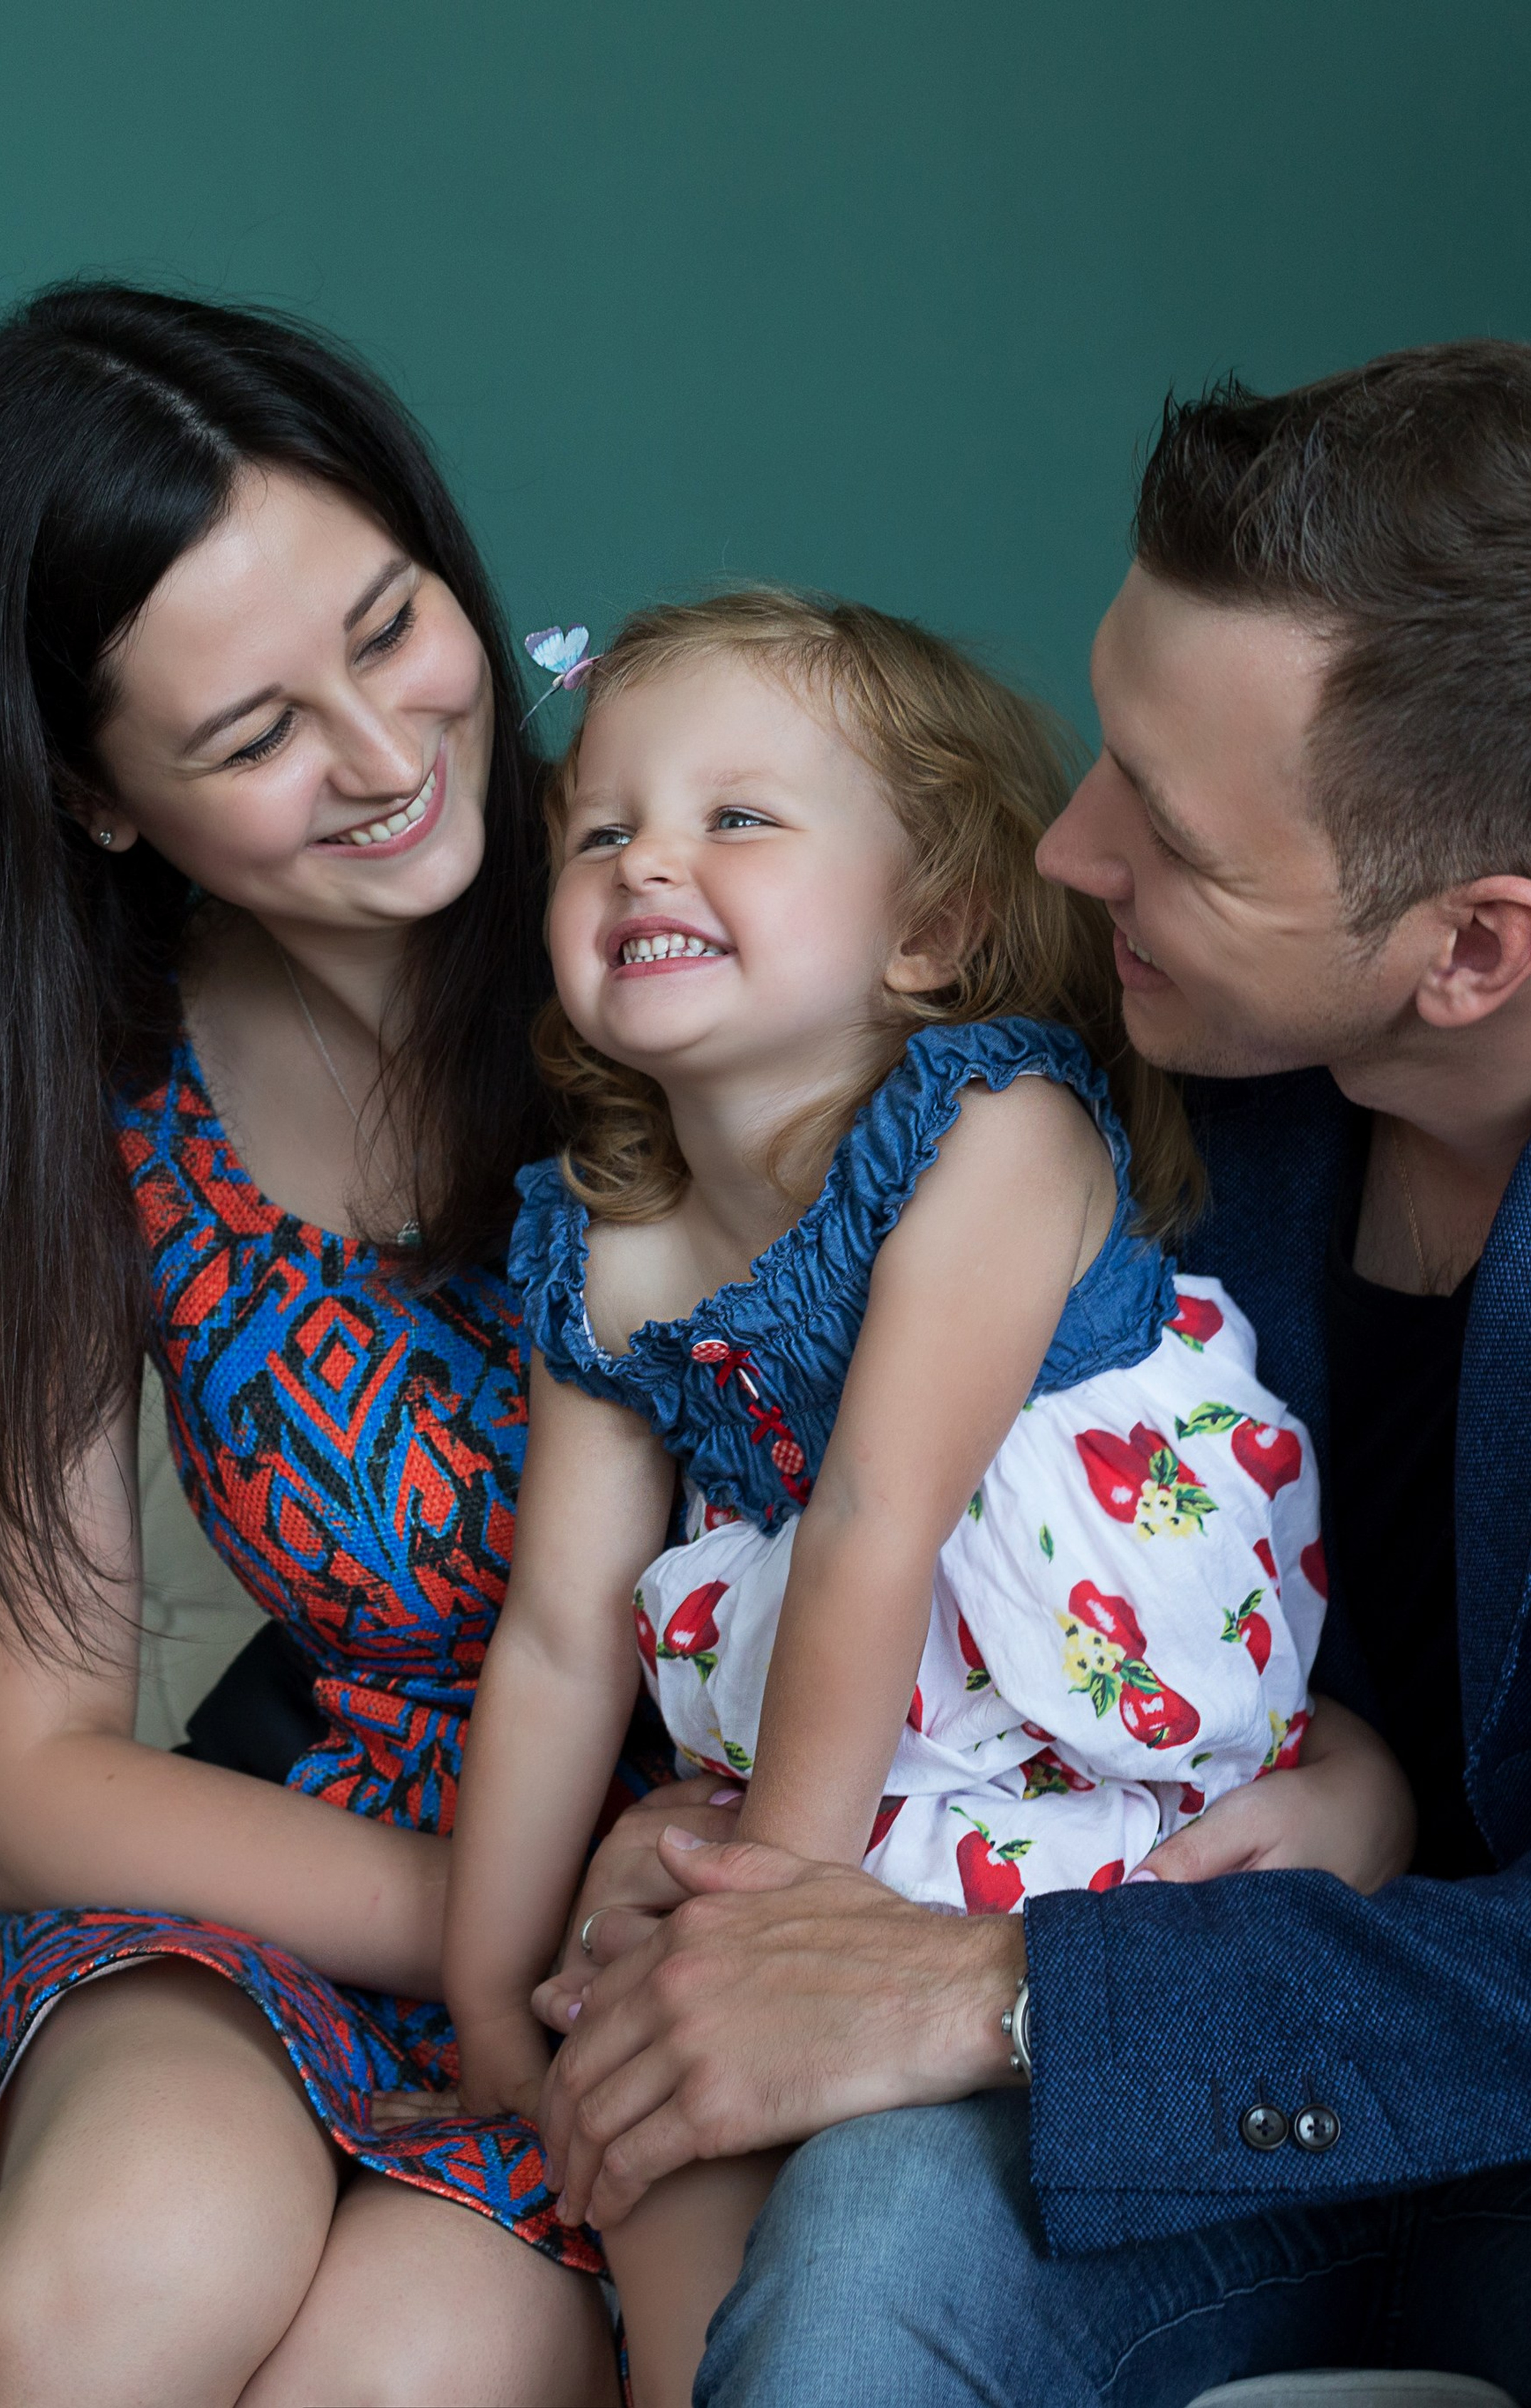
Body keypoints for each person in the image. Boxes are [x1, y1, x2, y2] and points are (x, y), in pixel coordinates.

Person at [530, 344, 1531, 2408]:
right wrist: (669, 1841)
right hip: (1139, 2068)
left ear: (1476, 949)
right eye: (1109, 748)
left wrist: (1018, 1999)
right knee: (857, 2281)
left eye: (1177, 838)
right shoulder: (1101, 1085)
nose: (1067, 849)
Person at [441, 593, 1341, 2404]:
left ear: (929, 929)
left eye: (737, 820)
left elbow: (875, 1521)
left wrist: (761, 1927)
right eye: (602, 830)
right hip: (849, 1771)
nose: (648, 864)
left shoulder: (994, 1122)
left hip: (1096, 1744)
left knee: (728, 2016)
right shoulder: (602, 1246)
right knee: (650, 2104)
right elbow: (556, 1643)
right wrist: (490, 2009)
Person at [0, 282, 625, 2405]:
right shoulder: (91, 1102)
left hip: (685, 1918)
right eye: (253, 738)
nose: (383, 760)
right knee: (106, 2281)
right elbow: (33, 1762)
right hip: (338, 1866)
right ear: (97, 803)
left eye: (391, 629)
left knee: (390, 2380)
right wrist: (466, 1914)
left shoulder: (700, 916)